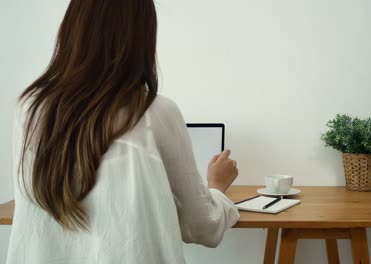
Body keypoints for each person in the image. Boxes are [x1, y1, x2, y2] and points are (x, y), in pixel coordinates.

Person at [6, 0, 239, 263]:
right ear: (142, 39)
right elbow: (201, 227)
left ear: (71, 30)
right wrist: (217, 187)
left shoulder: (30, 109)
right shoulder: (155, 112)